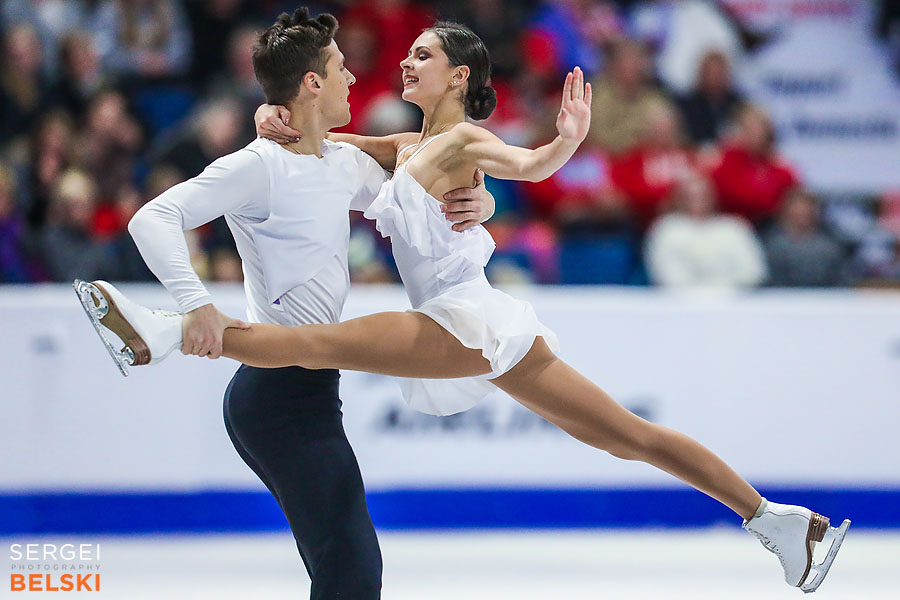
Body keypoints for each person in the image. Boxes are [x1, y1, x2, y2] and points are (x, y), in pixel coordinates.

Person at [78, 16, 849, 594]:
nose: (404, 62)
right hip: (476, 320)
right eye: (406, 52)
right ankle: (777, 522)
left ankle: (165, 329)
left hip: (462, 316)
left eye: (424, 56)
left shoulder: (469, 140)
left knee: (318, 343)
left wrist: (561, 146)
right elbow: (333, 149)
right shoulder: (404, 149)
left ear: (456, 78)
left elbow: (527, 162)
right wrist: (269, 115)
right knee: (627, 437)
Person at [78, 9, 496, 600]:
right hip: (278, 399)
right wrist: (197, 302)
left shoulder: (340, 163)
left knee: (345, 563)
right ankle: (173, 325)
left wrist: (481, 202)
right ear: (312, 84)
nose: (354, 78)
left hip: (305, 390)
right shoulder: (260, 165)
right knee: (351, 566)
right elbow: (154, 217)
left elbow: (423, 179)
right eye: (341, 67)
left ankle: (165, 330)